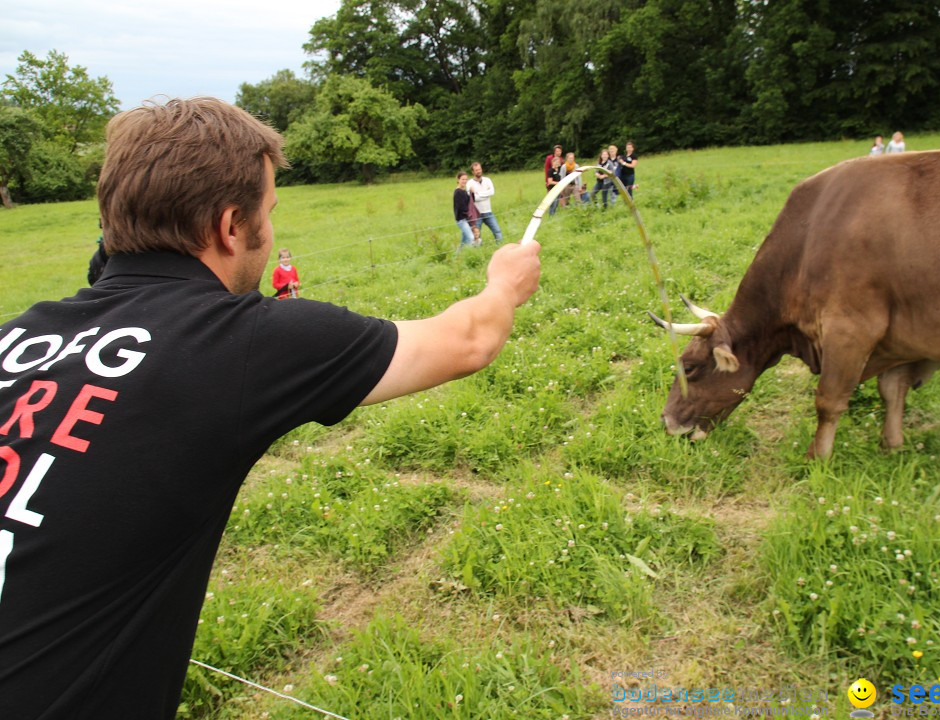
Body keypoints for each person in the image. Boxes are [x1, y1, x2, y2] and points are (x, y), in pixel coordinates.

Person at [0, 97, 540, 720]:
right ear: (231, 226)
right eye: (270, 211)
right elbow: (468, 339)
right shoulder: (239, 341)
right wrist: (503, 283)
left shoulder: (15, 336)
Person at [466, 162, 503, 245]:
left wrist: (478, 193)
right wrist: (485, 194)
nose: (478, 171)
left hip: (488, 212)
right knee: (477, 236)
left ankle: (500, 248)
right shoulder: (469, 183)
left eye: (479, 169)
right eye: (476, 170)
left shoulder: (487, 180)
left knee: (497, 231)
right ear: (473, 172)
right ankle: (479, 252)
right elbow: (473, 198)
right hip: (476, 214)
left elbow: (492, 192)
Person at [452, 170, 480, 250]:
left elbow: (471, 202)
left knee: (464, 241)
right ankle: (469, 254)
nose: (464, 181)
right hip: (461, 219)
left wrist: (472, 193)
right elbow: (462, 207)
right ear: (458, 180)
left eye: (466, 179)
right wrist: (469, 216)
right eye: (462, 179)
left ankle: (457, 256)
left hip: (466, 219)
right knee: (471, 238)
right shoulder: (457, 192)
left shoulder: (464, 192)